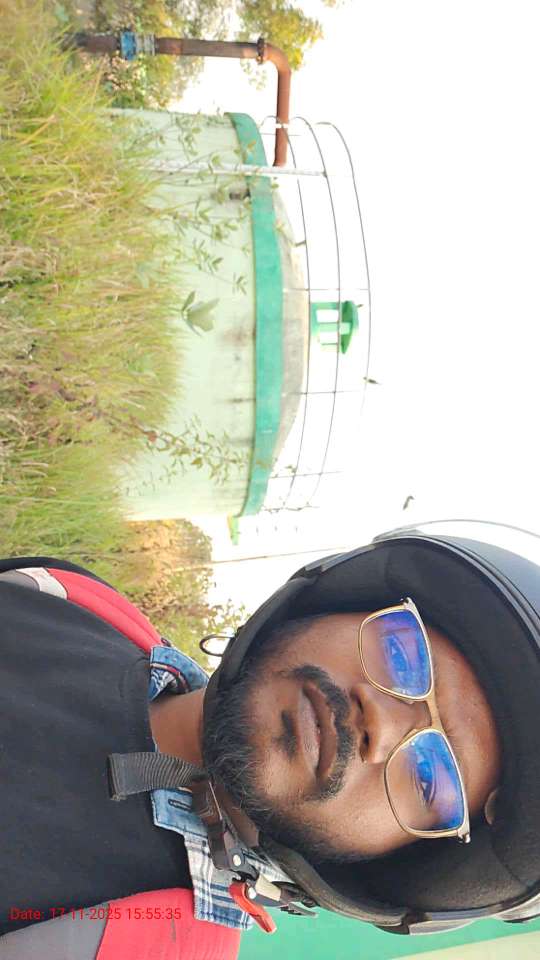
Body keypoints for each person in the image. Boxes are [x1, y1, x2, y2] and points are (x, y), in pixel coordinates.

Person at [1, 521, 540, 959]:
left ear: (397, 860)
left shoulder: (139, 942)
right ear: (339, 601)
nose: (380, 721)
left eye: (428, 777)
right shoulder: (77, 600)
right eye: (400, 654)